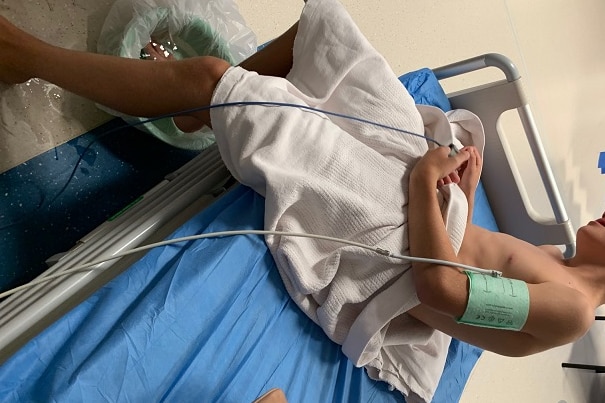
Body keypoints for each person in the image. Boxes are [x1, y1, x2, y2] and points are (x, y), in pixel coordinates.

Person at [0, 1, 602, 363]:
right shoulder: (560, 261)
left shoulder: (571, 310)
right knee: (328, 31)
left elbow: (441, 291)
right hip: (425, 212)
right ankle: (197, 108)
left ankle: (33, 58)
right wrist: (460, 196)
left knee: (218, 82)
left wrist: (424, 181)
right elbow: (470, 268)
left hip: (393, 247)